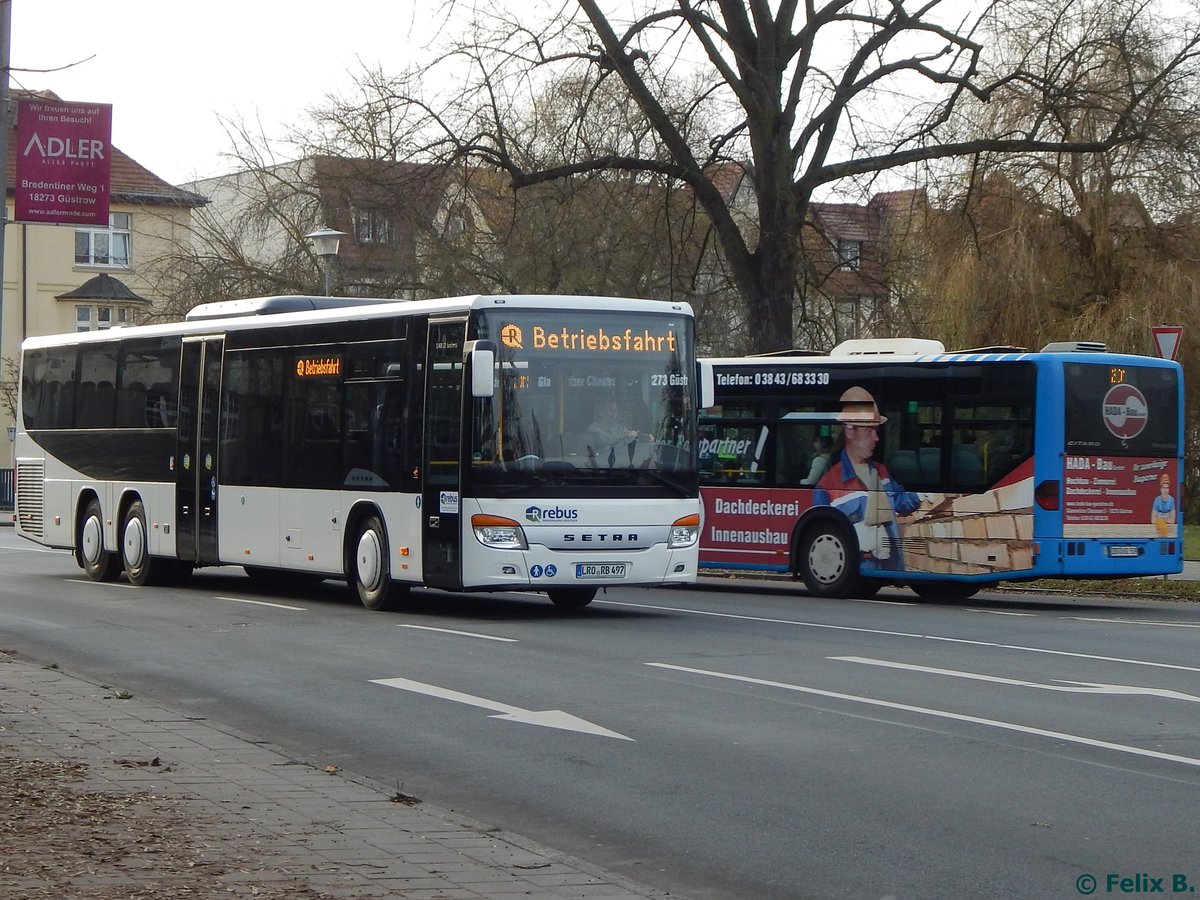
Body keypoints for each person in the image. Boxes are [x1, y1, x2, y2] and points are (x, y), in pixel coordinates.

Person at [814, 386, 923, 571]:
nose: (876, 438)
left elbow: (899, 502)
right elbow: (820, 534)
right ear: (849, 432)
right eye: (869, 431)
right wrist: (856, 537)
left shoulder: (880, 472)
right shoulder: (828, 484)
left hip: (891, 566)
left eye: (876, 431)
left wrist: (921, 495)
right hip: (861, 565)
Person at [587, 399, 652, 467]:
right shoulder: (593, 427)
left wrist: (644, 438)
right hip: (600, 465)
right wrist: (626, 435)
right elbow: (604, 440)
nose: (613, 413)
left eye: (615, 410)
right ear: (602, 412)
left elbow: (630, 442)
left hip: (620, 465)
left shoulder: (621, 428)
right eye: (609, 410)